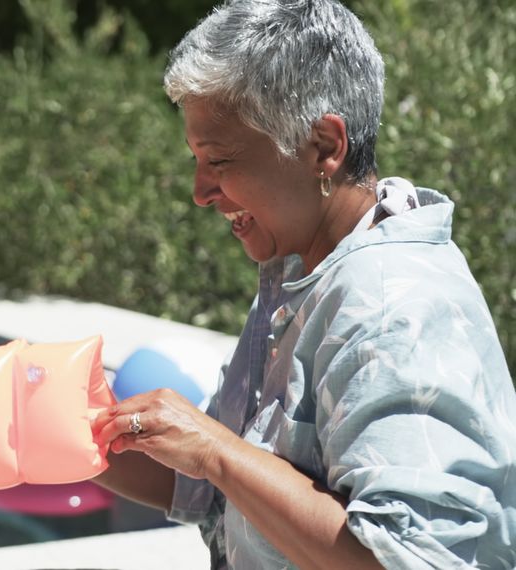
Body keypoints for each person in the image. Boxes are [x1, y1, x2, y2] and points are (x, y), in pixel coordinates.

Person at [91, 1, 516, 568]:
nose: (199, 191)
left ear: (324, 147)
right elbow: (215, 490)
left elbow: (414, 557)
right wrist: (33, 426)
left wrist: (216, 450)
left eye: (218, 160)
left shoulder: (393, 306)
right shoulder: (303, 266)